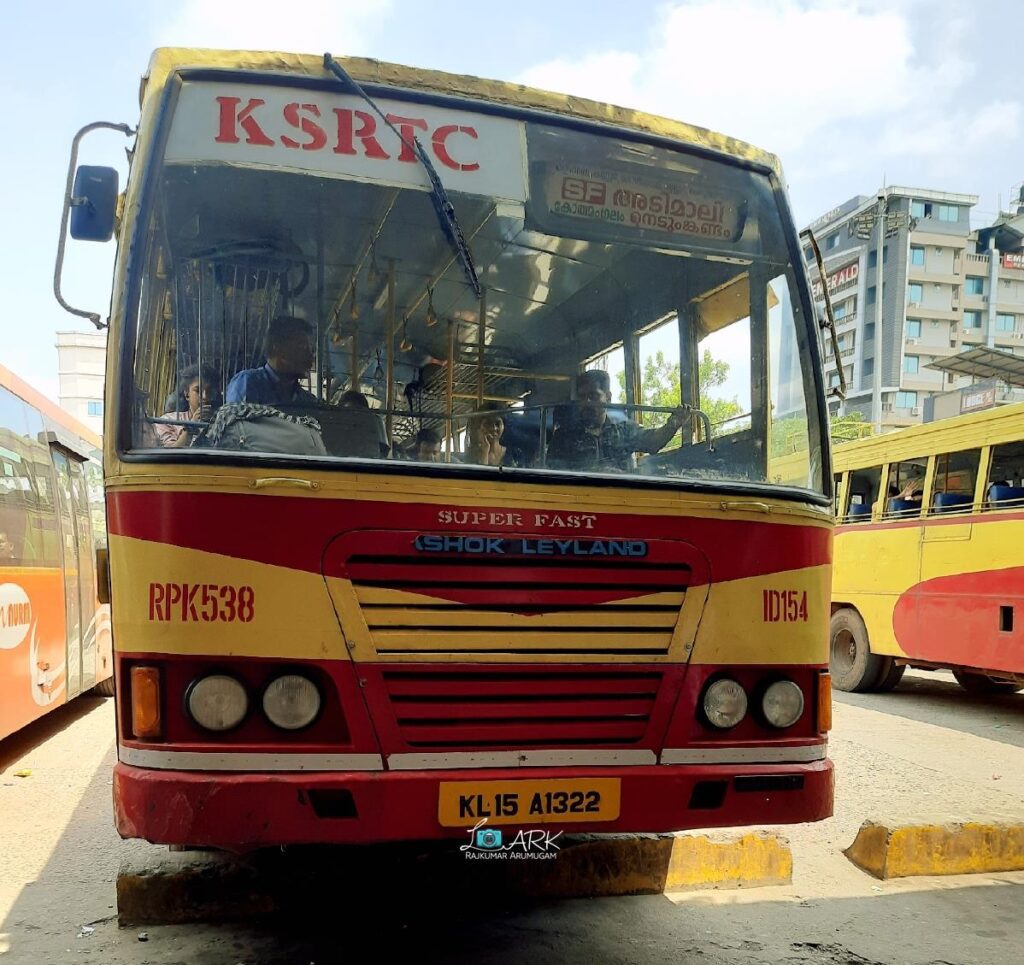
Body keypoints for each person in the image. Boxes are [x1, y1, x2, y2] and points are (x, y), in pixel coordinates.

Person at [546, 369, 689, 472]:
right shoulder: (563, 437)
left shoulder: (624, 431)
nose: (586, 402)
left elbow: (653, 443)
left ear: (608, 398)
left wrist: (673, 425)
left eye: (593, 396)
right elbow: (554, 477)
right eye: (582, 397)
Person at [226, 316, 318, 407]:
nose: (310, 356)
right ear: (277, 347)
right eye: (302, 347)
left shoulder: (307, 399)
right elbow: (240, 420)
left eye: (312, 350)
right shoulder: (248, 383)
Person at [156, 364, 220, 448]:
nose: (205, 396)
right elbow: (170, 456)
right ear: (187, 394)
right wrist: (190, 428)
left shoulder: (222, 421)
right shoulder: (168, 421)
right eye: (198, 391)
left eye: (210, 391)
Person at [339, 390, 390, 458]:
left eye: (358, 410)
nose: (354, 415)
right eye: (349, 411)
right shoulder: (338, 428)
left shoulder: (374, 423)